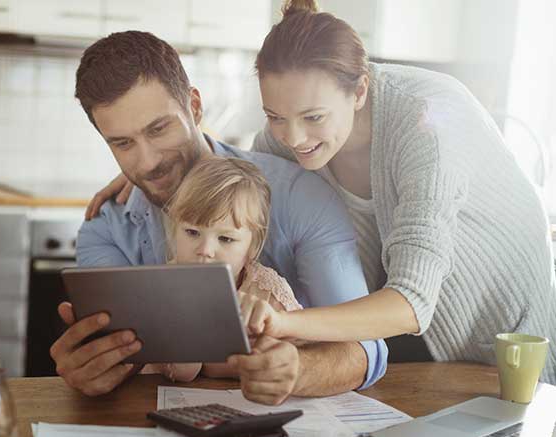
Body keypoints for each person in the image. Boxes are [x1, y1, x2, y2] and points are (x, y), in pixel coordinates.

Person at [91, 2, 556, 383]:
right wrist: (153, 169)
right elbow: (238, 184)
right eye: (275, 116)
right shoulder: (283, 142)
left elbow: (413, 301)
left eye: (313, 117)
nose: (293, 139)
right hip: (406, 343)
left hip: (508, 332)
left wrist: (283, 324)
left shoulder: (428, 120)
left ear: (359, 92)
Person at [49, 30, 388, 405]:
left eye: (159, 129)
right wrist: (94, 367)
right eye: (122, 143)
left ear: (194, 107)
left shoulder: (299, 196)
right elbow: (122, 357)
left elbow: (364, 350)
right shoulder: (105, 228)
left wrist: (298, 370)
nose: (147, 162)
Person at [143, 156, 304, 383]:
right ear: (174, 231)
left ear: (252, 247)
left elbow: (301, 355)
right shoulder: (159, 287)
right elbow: (181, 372)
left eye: (226, 239)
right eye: (192, 232)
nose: (206, 250)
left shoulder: (267, 292)